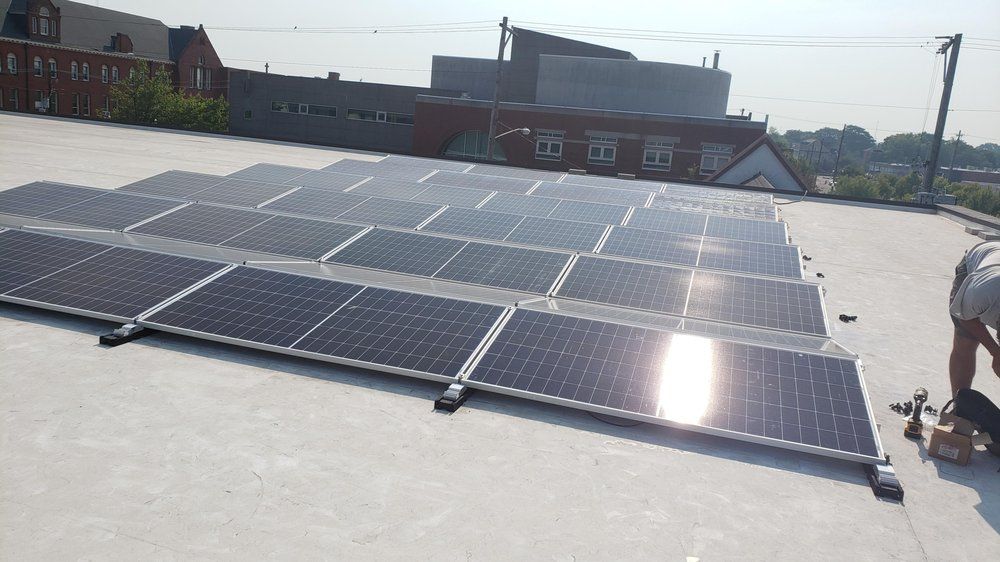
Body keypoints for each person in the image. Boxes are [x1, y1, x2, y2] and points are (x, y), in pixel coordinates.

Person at [949, 241, 1000, 397]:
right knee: (966, 341)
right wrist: (995, 352)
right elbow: (966, 319)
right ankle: (960, 403)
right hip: (976, 262)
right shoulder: (983, 291)